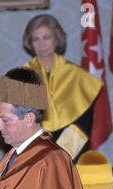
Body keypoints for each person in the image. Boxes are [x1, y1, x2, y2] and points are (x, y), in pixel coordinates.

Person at [23, 14, 102, 160]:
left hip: (72, 155)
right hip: (33, 154)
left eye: (46, 37)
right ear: (30, 42)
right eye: (36, 39)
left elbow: (82, 124)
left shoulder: (78, 76)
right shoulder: (20, 77)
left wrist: (60, 157)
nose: (41, 44)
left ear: (57, 39)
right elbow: (16, 122)